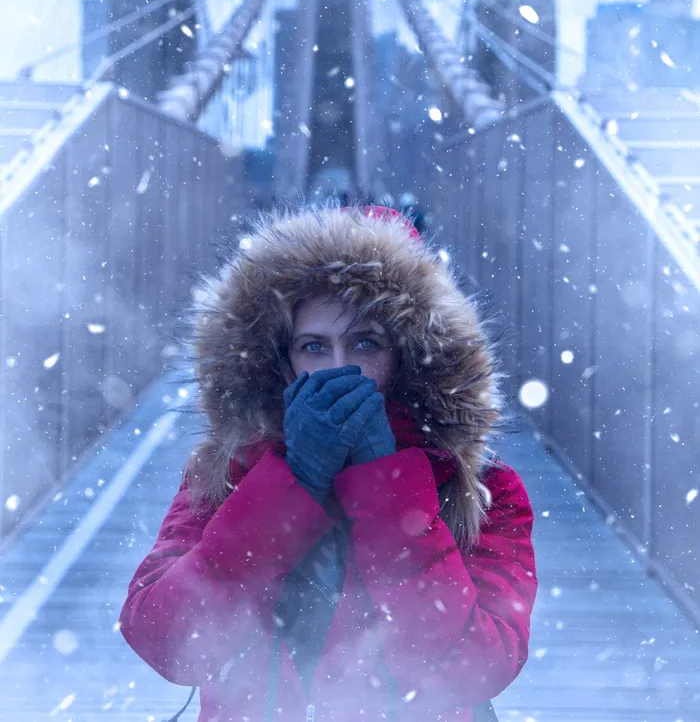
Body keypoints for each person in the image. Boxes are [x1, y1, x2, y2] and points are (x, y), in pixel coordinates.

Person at [120, 205, 537, 722]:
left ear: (408, 353)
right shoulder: (230, 473)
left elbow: (472, 668)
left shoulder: (478, 488)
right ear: (283, 359)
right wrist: (292, 483)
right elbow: (168, 640)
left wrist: (389, 488)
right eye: (315, 346)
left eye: (365, 342)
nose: (339, 370)